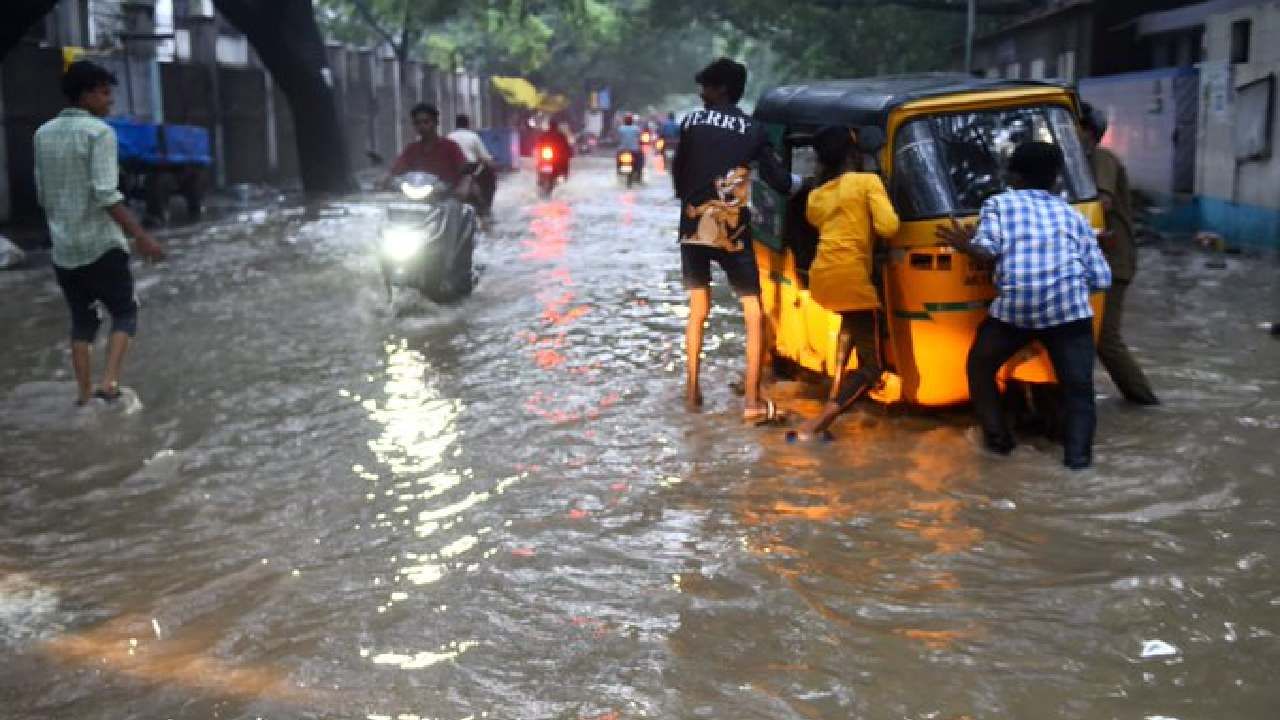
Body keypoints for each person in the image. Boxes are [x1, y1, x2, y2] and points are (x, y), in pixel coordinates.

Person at [936, 141, 1112, 470]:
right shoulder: (1072, 215)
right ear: (1056, 179)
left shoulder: (999, 205)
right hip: (1069, 313)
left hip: (1016, 308)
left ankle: (998, 444)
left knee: (980, 365)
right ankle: (1078, 464)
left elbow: (987, 249)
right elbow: (1101, 278)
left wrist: (966, 246)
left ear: (1013, 176)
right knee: (1079, 390)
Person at [671, 57, 801, 422]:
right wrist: (803, 186)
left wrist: (688, 200)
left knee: (698, 311)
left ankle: (693, 393)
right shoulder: (753, 129)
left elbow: (679, 172)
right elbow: (779, 180)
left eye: (706, 87)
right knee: (753, 313)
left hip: (693, 228)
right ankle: (752, 402)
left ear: (722, 89)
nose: (701, 94)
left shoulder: (691, 122)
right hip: (733, 230)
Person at [34, 61, 165, 407]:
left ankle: (82, 393)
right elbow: (107, 194)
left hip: (64, 246)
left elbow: (43, 194)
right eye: (105, 93)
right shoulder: (100, 133)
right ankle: (109, 383)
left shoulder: (42, 134)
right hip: (101, 243)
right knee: (125, 311)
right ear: (88, 93)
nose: (110, 102)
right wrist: (141, 235)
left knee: (82, 320)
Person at [787, 126, 899, 442]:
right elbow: (889, 227)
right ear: (854, 154)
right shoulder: (867, 182)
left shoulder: (816, 195)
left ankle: (834, 393)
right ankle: (819, 423)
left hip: (823, 278)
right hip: (853, 280)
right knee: (872, 368)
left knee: (852, 326)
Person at [1080, 102, 1159, 405]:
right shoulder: (1078, 166)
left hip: (1112, 260)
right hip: (1096, 260)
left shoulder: (1101, 159)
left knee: (1105, 338)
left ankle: (1145, 402)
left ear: (1088, 131)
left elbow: (1103, 204)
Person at [383, 103, 471, 197]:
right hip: (415, 196)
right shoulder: (411, 149)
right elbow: (396, 169)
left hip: (446, 197)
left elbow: (466, 172)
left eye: (426, 122)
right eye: (417, 123)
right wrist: (385, 178)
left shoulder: (451, 147)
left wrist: (464, 186)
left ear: (436, 122)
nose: (421, 126)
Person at [448, 114, 498, 216]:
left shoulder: (449, 136)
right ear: (467, 125)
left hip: (453, 169)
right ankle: (486, 206)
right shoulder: (473, 136)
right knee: (491, 178)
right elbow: (484, 157)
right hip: (470, 168)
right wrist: (491, 162)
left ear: (456, 125)